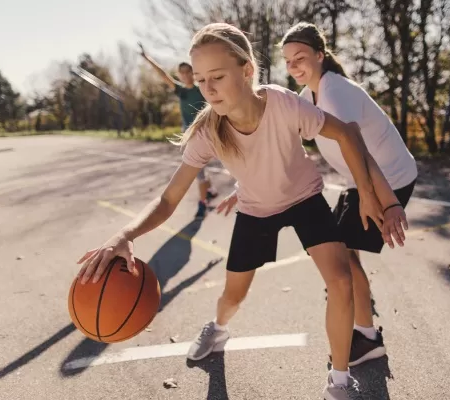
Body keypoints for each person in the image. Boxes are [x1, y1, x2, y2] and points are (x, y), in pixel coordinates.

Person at [79, 23, 407, 400]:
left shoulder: (283, 103)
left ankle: (338, 379)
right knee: (233, 297)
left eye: (217, 76)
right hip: (256, 210)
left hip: (304, 199)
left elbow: (348, 133)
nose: (208, 89)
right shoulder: (208, 131)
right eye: (201, 80)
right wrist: (125, 235)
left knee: (341, 280)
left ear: (247, 70)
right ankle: (218, 328)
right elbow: (169, 200)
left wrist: (368, 194)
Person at [279, 22, 418, 366]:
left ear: (320, 56)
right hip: (362, 180)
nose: (294, 66)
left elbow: (360, 150)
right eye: (287, 60)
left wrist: (384, 201)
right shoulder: (306, 97)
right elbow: (285, 139)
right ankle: (359, 309)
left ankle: (367, 337)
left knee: (343, 256)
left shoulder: (334, 91)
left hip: (387, 178)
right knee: (344, 254)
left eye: (301, 57)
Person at [139, 42, 217, 218]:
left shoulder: (202, 89)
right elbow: (163, 75)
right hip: (189, 134)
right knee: (201, 168)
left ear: (193, 72)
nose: (185, 75)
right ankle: (209, 192)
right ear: (179, 76)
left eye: (188, 71)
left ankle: (203, 203)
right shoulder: (180, 91)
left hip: (205, 134)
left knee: (199, 170)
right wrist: (147, 58)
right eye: (181, 73)